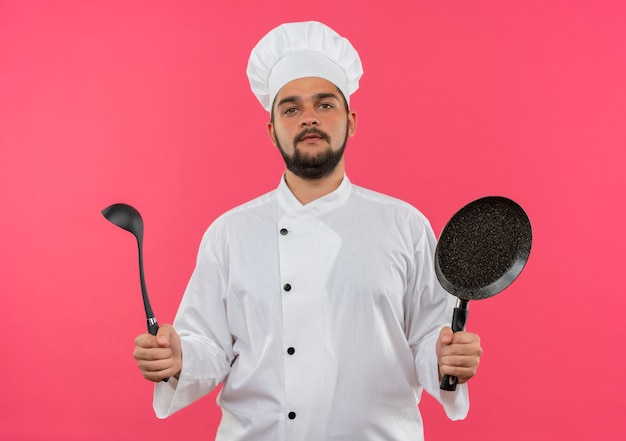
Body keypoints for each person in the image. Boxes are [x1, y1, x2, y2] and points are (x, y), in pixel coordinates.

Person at [133, 21, 482, 440]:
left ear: (350, 121)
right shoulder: (230, 234)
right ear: (272, 129)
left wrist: (447, 358)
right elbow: (208, 346)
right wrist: (178, 357)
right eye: (291, 108)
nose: (309, 119)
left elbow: (429, 337)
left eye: (325, 105)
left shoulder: (404, 226)